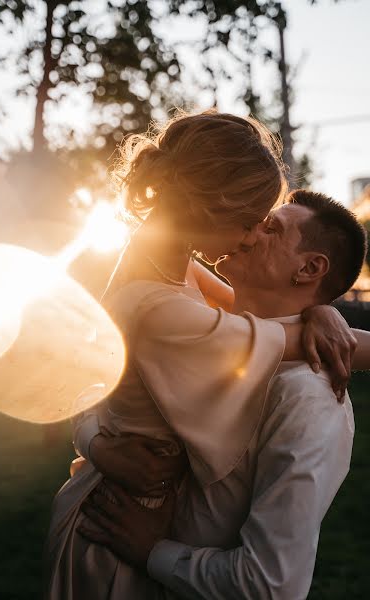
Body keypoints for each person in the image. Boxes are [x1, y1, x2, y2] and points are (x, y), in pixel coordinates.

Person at [44, 112, 359, 599]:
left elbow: (250, 320)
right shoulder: (159, 304)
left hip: (141, 529)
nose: (253, 235)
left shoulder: (173, 268)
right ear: (214, 209)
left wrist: (322, 311)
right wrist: (101, 446)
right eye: (254, 220)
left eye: (267, 227)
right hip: (110, 532)